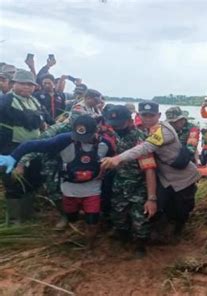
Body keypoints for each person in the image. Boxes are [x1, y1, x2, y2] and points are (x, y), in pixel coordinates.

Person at [0, 115, 112, 248]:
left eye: (86, 137)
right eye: (78, 137)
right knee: (71, 216)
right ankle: (75, 219)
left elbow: (116, 162)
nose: (82, 141)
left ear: (96, 131)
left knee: (92, 219)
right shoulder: (63, 140)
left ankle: (89, 246)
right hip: (69, 187)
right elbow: (32, 145)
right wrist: (14, 157)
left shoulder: (106, 144)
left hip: (93, 188)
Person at [100, 114, 201, 240]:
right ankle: (164, 231)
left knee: (182, 208)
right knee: (163, 206)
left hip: (182, 177)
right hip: (164, 179)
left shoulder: (162, 131)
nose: (147, 119)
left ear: (158, 115)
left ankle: (177, 231)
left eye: (151, 116)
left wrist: (118, 158)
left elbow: (145, 149)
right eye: (144, 115)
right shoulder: (131, 133)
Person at [102, 105, 157, 257]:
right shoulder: (114, 135)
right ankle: (123, 241)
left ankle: (140, 247)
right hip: (119, 184)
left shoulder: (140, 141)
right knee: (118, 217)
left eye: (119, 125)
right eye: (113, 125)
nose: (115, 128)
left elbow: (149, 169)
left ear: (129, 121)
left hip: (138, 186)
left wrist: (151, 198)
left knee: (140, 221)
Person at [0, 70, 48, 224]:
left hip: (34, 148)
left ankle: (27, 214)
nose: (26, 87)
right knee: (13, 182)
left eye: (30, 84)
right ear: (13, 84)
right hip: (11, 149)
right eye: (22, 83)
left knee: (33, 180)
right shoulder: (5, 101)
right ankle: (14, 220)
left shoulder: (34, 101)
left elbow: (47, 119)